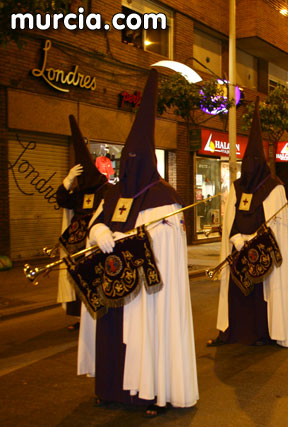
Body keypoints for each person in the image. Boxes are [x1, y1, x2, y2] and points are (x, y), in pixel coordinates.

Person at [79, 70, 198, 416]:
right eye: (124, 159)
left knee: (143, 339)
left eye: (136, 160)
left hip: (145, 296)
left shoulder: (165, 196)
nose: (129, 166)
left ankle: (150, 391)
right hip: (110, 286)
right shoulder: (113, 192)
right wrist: (98, 233)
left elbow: (166, 246)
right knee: (110, 336)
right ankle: (109, 388)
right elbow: (96, 223)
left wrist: (126, 240)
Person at [209, 100, 288, 348]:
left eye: (254, 161)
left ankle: (264, 333)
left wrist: (255, 240)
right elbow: (231, 219)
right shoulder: (238, 186)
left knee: (260, 294)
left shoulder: (274, 187)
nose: (249, 167)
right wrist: (236, 238)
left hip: (262, 254)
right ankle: (235, 331)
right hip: (239, 252)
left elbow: (277, 227)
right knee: (237, 293)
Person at [56, 115, 112, 331]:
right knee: (79, 282)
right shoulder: (80, 192)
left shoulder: (105, 190)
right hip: (77, 246)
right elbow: (64, 200)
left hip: (95, 245)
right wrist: (67, 181)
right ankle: (81, 318)